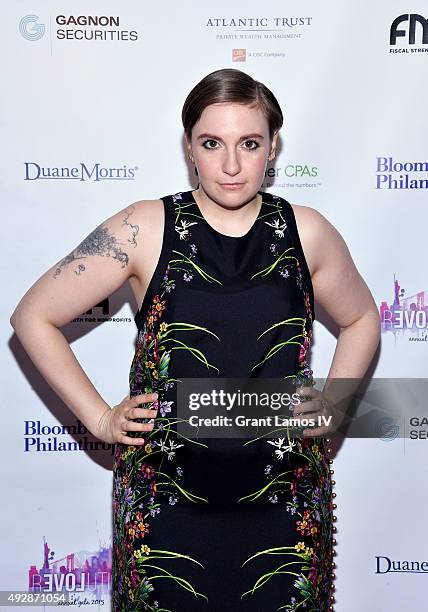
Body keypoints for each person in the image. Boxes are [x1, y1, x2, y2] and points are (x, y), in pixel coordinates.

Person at [10, 68, 380, 611]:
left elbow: (362, 319)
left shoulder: (309, 231)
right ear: (189, 147)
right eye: (212, 143)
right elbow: (33, 316)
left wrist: (337, 402)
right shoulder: (144, 225)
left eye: (249, 144)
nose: (231, 165)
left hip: (283, 507)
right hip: (165, 513)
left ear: (273, 146)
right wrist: (100, 419)